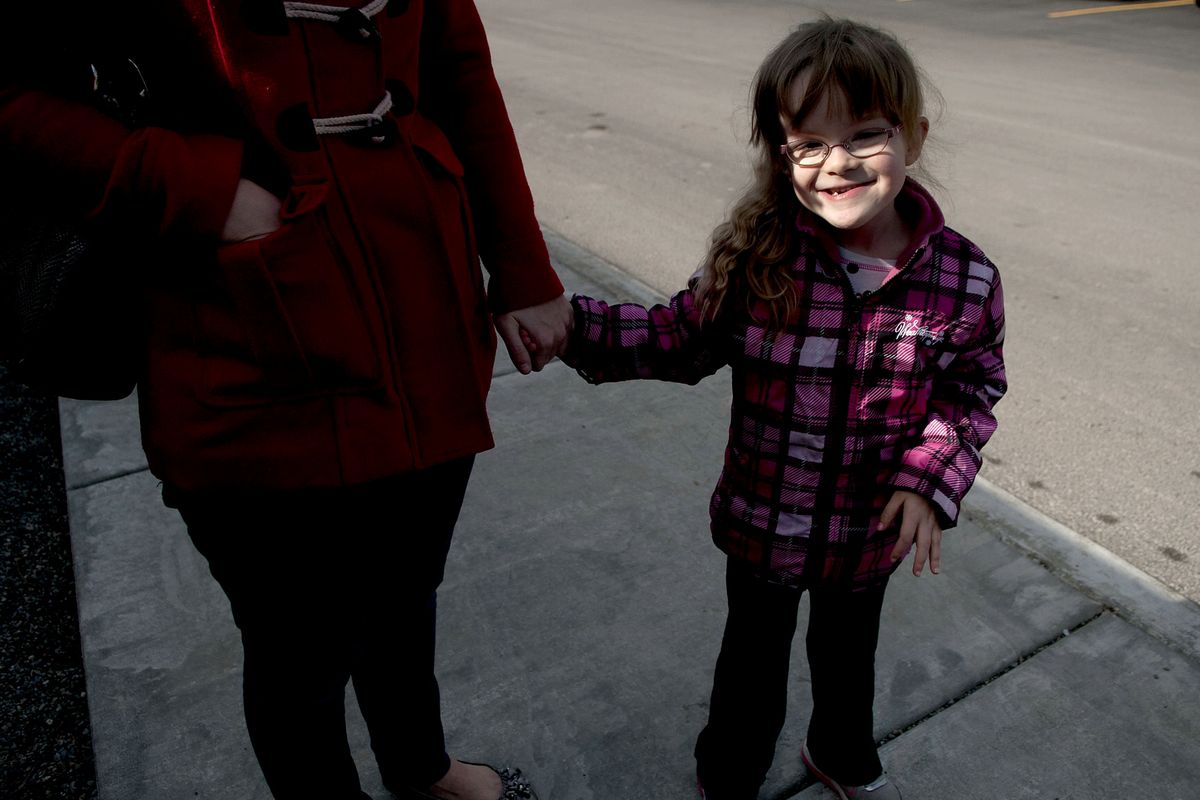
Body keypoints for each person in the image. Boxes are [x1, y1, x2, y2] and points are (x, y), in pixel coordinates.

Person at [0, 2, 569, 799]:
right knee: (296, 646)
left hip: (423, 313)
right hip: (239, 327)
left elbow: (460, 74)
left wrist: (523, 268)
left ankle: (422, 769)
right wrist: (196, 187)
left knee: (404, 590)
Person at [550, 17, 1006, 800]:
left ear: (915, 136)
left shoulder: (964, 279)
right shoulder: (763, 257)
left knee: (847, 658)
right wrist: (564, 322)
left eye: (866, 134)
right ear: (780, 152)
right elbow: (673, 340)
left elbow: (972, 388)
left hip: (869, 535)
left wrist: (931, 476)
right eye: (807, 144)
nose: (837, 163)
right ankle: (730, 770)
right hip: (763, 526)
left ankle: (840, 753)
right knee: (751, 663)